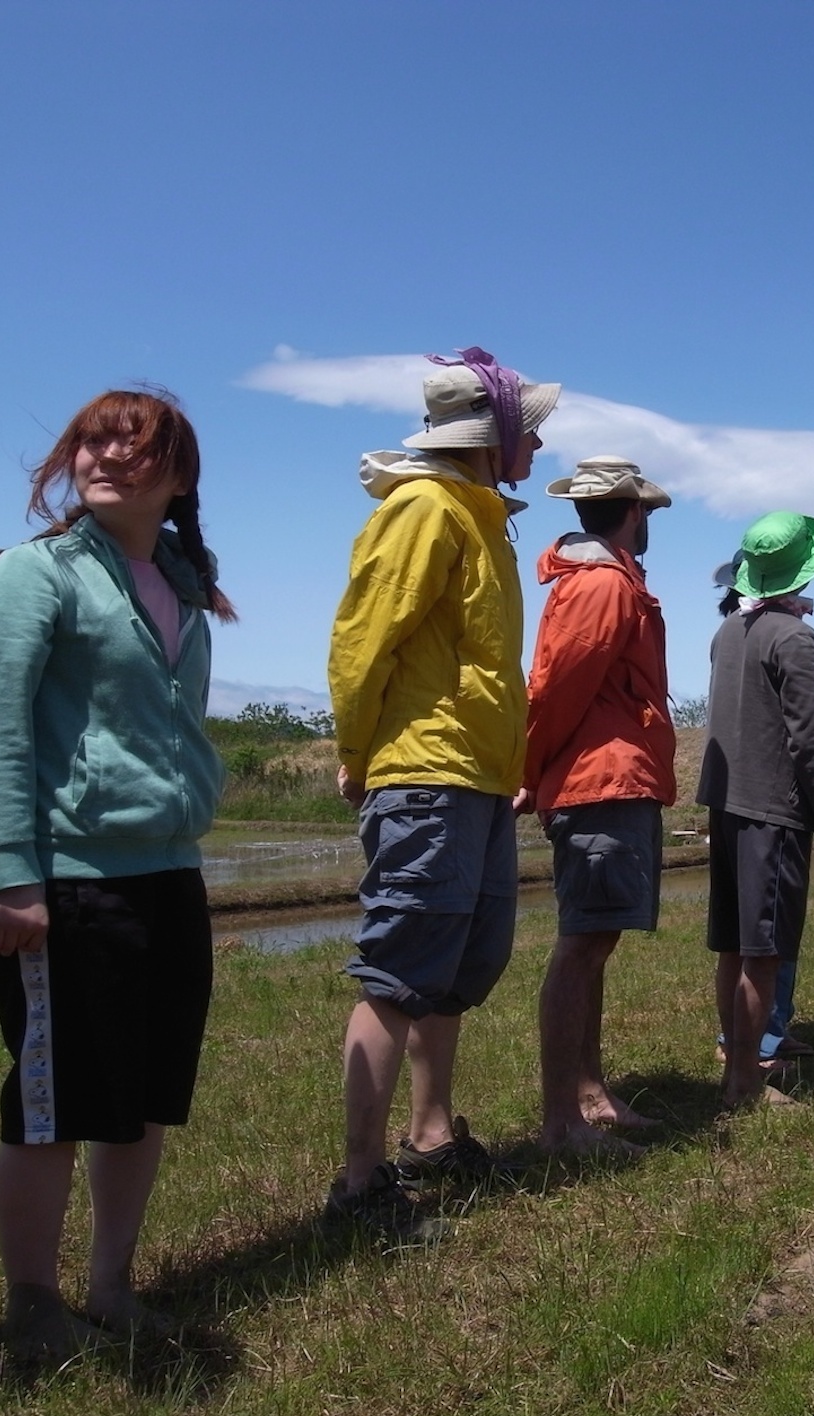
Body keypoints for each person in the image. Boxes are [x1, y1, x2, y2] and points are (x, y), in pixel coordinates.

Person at [0, 388, 232, 1359]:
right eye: (92, 442)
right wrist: (13, 877)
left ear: (179, 475)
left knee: (144, 1096)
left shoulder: (182, 587)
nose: (105, 458)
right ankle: (33, 1307)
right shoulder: (34, 578)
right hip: (69, 884)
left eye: (135, 445)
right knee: (53, 1106)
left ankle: (112, 1285)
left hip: (170, 876)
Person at [327, 349, 560, 1229]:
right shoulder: (425, 511)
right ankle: (357, 1184)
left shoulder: (477, 516)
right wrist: (359, 752)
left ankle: (428, 1138)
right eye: (528, 429)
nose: (537, 445)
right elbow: (362, 641)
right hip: (427, 774)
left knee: (458, 970)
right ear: (491, 434)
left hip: (475, 778)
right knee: (397, 972)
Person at [525, 456, 675, 1159]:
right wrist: (529, 769)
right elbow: (556, 689)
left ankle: (590, 1094)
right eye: (648, 511)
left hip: (613, 776)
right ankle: (563, 1122)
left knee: (596, 943)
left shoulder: (612, 581)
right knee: (582, 946)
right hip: (599, 781)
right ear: (632, 511)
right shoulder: (606, 587)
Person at [698, 513, 814, 1108]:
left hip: (728, 802)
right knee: (763, 952)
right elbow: (811, 738)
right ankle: (744, 1081)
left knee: (736, 945)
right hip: (773, 809)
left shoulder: (727, 631)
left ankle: (737, 1066)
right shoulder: (797, 638)